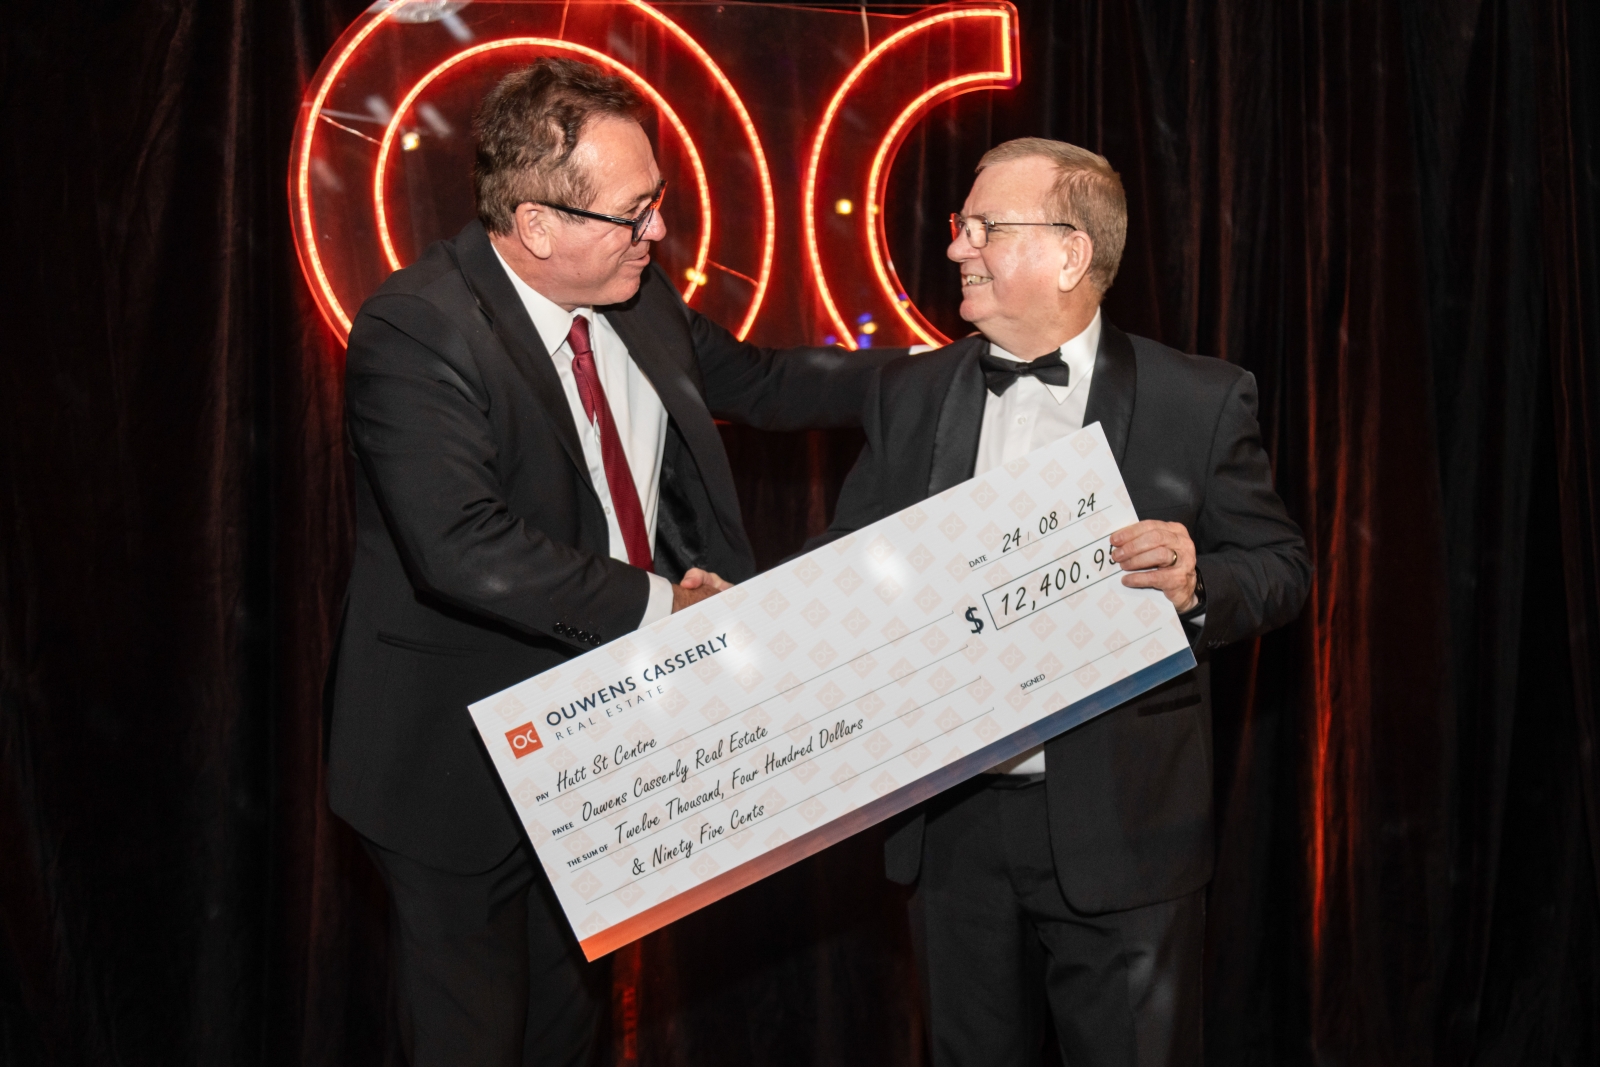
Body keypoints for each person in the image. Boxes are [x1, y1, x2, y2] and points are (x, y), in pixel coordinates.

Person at [324, 59, 893, 1066]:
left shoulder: (636, 297)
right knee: (471, 1040)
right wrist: (668, 608)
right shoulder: (417, 328)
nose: (658, 232)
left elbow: (763, 382)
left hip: (599, 752)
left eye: (656, 204)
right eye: (634, 214)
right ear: (538, 225)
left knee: (567, 1030)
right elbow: (464, 547)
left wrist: (955, 368)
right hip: (450, 763)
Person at [813, 139, 1311, 1067]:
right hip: (951, 826)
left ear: (1071, 253)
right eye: (960, 225)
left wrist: (1199, 583)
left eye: (983, 228)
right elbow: (846, 567)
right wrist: (734, 622)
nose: (956, 247)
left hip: (1125, 826)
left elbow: (1282, 565)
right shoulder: (909, 393)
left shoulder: (1196, 398)